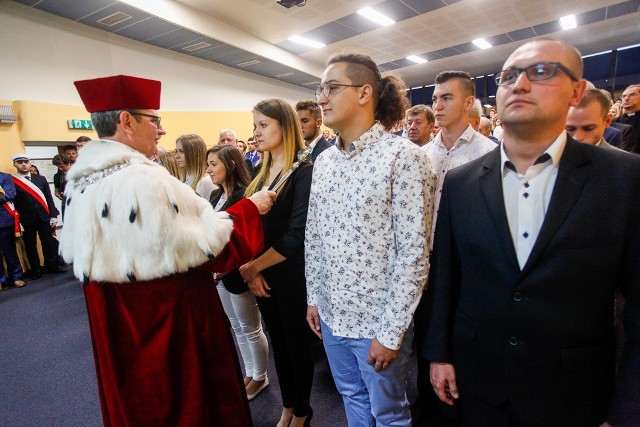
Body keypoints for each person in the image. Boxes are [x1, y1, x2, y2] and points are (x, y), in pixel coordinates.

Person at [421, 39, 640, 426]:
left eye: (541, 72)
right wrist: (439, 353)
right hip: (478, 380)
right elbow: (447, 278)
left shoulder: (623, 178)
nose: (519, 84)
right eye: (508, 77)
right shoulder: (461, 182)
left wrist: (626, 411)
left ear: (576, 91)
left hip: (573, 390)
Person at [62, 74, 276, 427]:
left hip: (118, 325)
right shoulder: (146, 180)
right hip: (168, 324)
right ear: (127, 122)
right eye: (154, 119)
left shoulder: (80, 182)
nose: (161, 131)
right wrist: (249, 209)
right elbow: (212, 249)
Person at [306, 52, 434, 426]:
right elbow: (314, 237)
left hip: (377, 322)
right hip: (331, 315)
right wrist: (314, 297)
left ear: (365, 93)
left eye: (331, 88)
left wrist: (392, 332)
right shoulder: (325, 162)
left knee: (389, 413)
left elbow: (414, 256)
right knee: (351, 398)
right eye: (320, 89)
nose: (322, 98)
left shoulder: (404, 158)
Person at [239, 98, 314, 427]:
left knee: (296, 345)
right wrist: (251, 267)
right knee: (279, 346)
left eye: (263, 125)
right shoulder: (259, 171)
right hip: (262, 275)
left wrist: (255, 266)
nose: (256, 132)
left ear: (285, 126)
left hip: (289, 275)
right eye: (255, 125)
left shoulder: (303, 172)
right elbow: (249, 227)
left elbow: (296, 235)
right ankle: (287, 405)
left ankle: (302, 411)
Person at [207, 144, 270, 401]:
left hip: (237, 272)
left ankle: (261, 376)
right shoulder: (214, 195)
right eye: (208, 164)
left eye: (214, 164)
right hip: (220, 274)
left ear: (231, 165)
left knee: (251, 328)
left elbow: (248, 238)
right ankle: (250, 371)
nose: (208, 170)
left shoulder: (245, 194)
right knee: (236, 327)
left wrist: (224, 270)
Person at [11, 153, 63, 279]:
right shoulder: (14, 181)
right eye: (20, 162)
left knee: (48, 242)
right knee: (30, 245)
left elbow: (49, 198)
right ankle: (35, 269)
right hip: (26, 218)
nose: (23, 164)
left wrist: (53, 214)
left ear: (29, 163)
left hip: (43, 216)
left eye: (26, 162)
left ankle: (51, 265)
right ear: (15, 165)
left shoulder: (40, 179)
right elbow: (14, 202)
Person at [0, 172, 25, 290]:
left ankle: (16, 277)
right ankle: (1, 280)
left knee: (9, 251)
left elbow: (10, 194)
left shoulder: (4, 177)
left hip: (3, 220)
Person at [174, 133, 217, 200]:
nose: (177, 156)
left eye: (182, 151)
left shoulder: (205, 182)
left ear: (194, 153)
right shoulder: (184, 178)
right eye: (176, 151)